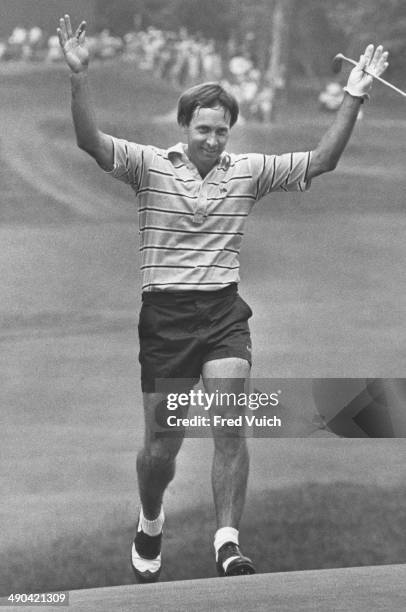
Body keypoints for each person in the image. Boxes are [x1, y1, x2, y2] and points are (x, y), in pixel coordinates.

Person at [57, 14, 389, 582]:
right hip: (164, 318)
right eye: (203, 129)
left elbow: (321, 161)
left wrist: (354, 97)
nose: (213, 140)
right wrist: (80, 77)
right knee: (161, 451)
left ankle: (227, 542)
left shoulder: (248, 172)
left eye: (222, 131)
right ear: (184, 125)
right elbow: (90, 142)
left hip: (222, 314)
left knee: (229, 421)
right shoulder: (148, 165)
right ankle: (152, 517)